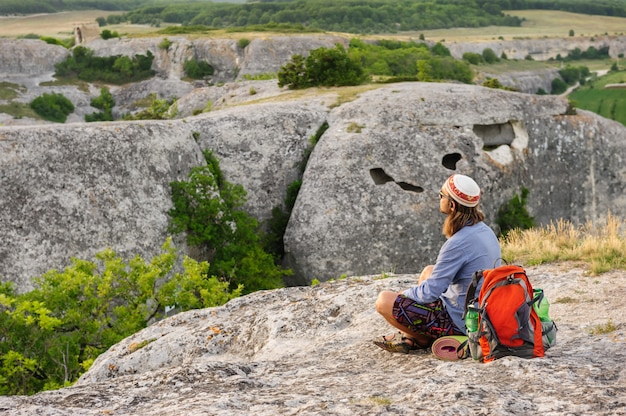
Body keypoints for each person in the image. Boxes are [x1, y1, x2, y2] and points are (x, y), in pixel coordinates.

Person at [373, 174, 501, 354]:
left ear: (452, 205)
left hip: (463, 321)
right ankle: (410, 335)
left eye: (442, 195)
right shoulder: (485, 231)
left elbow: (430, 292)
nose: (439, 198)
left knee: (383, 301)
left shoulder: (457, 243)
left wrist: (404, 294)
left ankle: (421, 337)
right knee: (428, 271)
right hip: (481, 309)